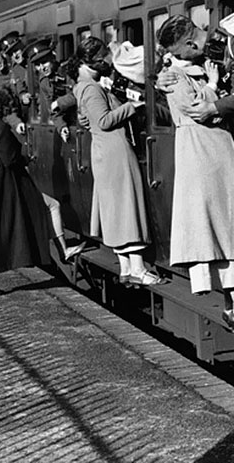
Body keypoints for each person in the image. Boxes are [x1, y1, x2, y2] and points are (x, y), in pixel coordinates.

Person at [156, 21, 234, 335]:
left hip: (214, 154)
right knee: (216, 226)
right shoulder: (176, 74)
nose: (176, 58)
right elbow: (196, 109)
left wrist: (211, 93)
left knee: (224, 226)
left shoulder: (198, 60)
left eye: (179, 53)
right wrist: (213, 85)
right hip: (203, 155)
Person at [72, 37, 160, 285]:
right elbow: (103, 121)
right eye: (104, 58)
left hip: (103, 151)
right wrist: (133, 105)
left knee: (115, 210)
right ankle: (138, 269)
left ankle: (126, 269)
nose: (108, 62)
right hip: (115, 151)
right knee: (127, 206)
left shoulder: (81, 87)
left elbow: (88, 120)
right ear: (92, 61)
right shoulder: (91, 89)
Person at [0, 89, 51, 296]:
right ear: (0, 107)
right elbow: (10, 158)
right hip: (3, 183)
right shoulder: (1, 128)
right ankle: (52, 250)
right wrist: (27, 159)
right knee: (26, 215)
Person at [155, 14, 234, 132]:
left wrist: (212, 108)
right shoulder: (199, 54)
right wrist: (161, 83)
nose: (179, 59)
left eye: (178, 55)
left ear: (191, 44)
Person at [27, 39, 76, 143]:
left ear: (53, 57)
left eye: (44, 62)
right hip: (71, 125)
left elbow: (80, 94)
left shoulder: (68, 71)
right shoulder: (44, 82)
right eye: (37, 65)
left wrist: (59, 102)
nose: (42, 68)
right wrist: (61, 126)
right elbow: (53, 110)